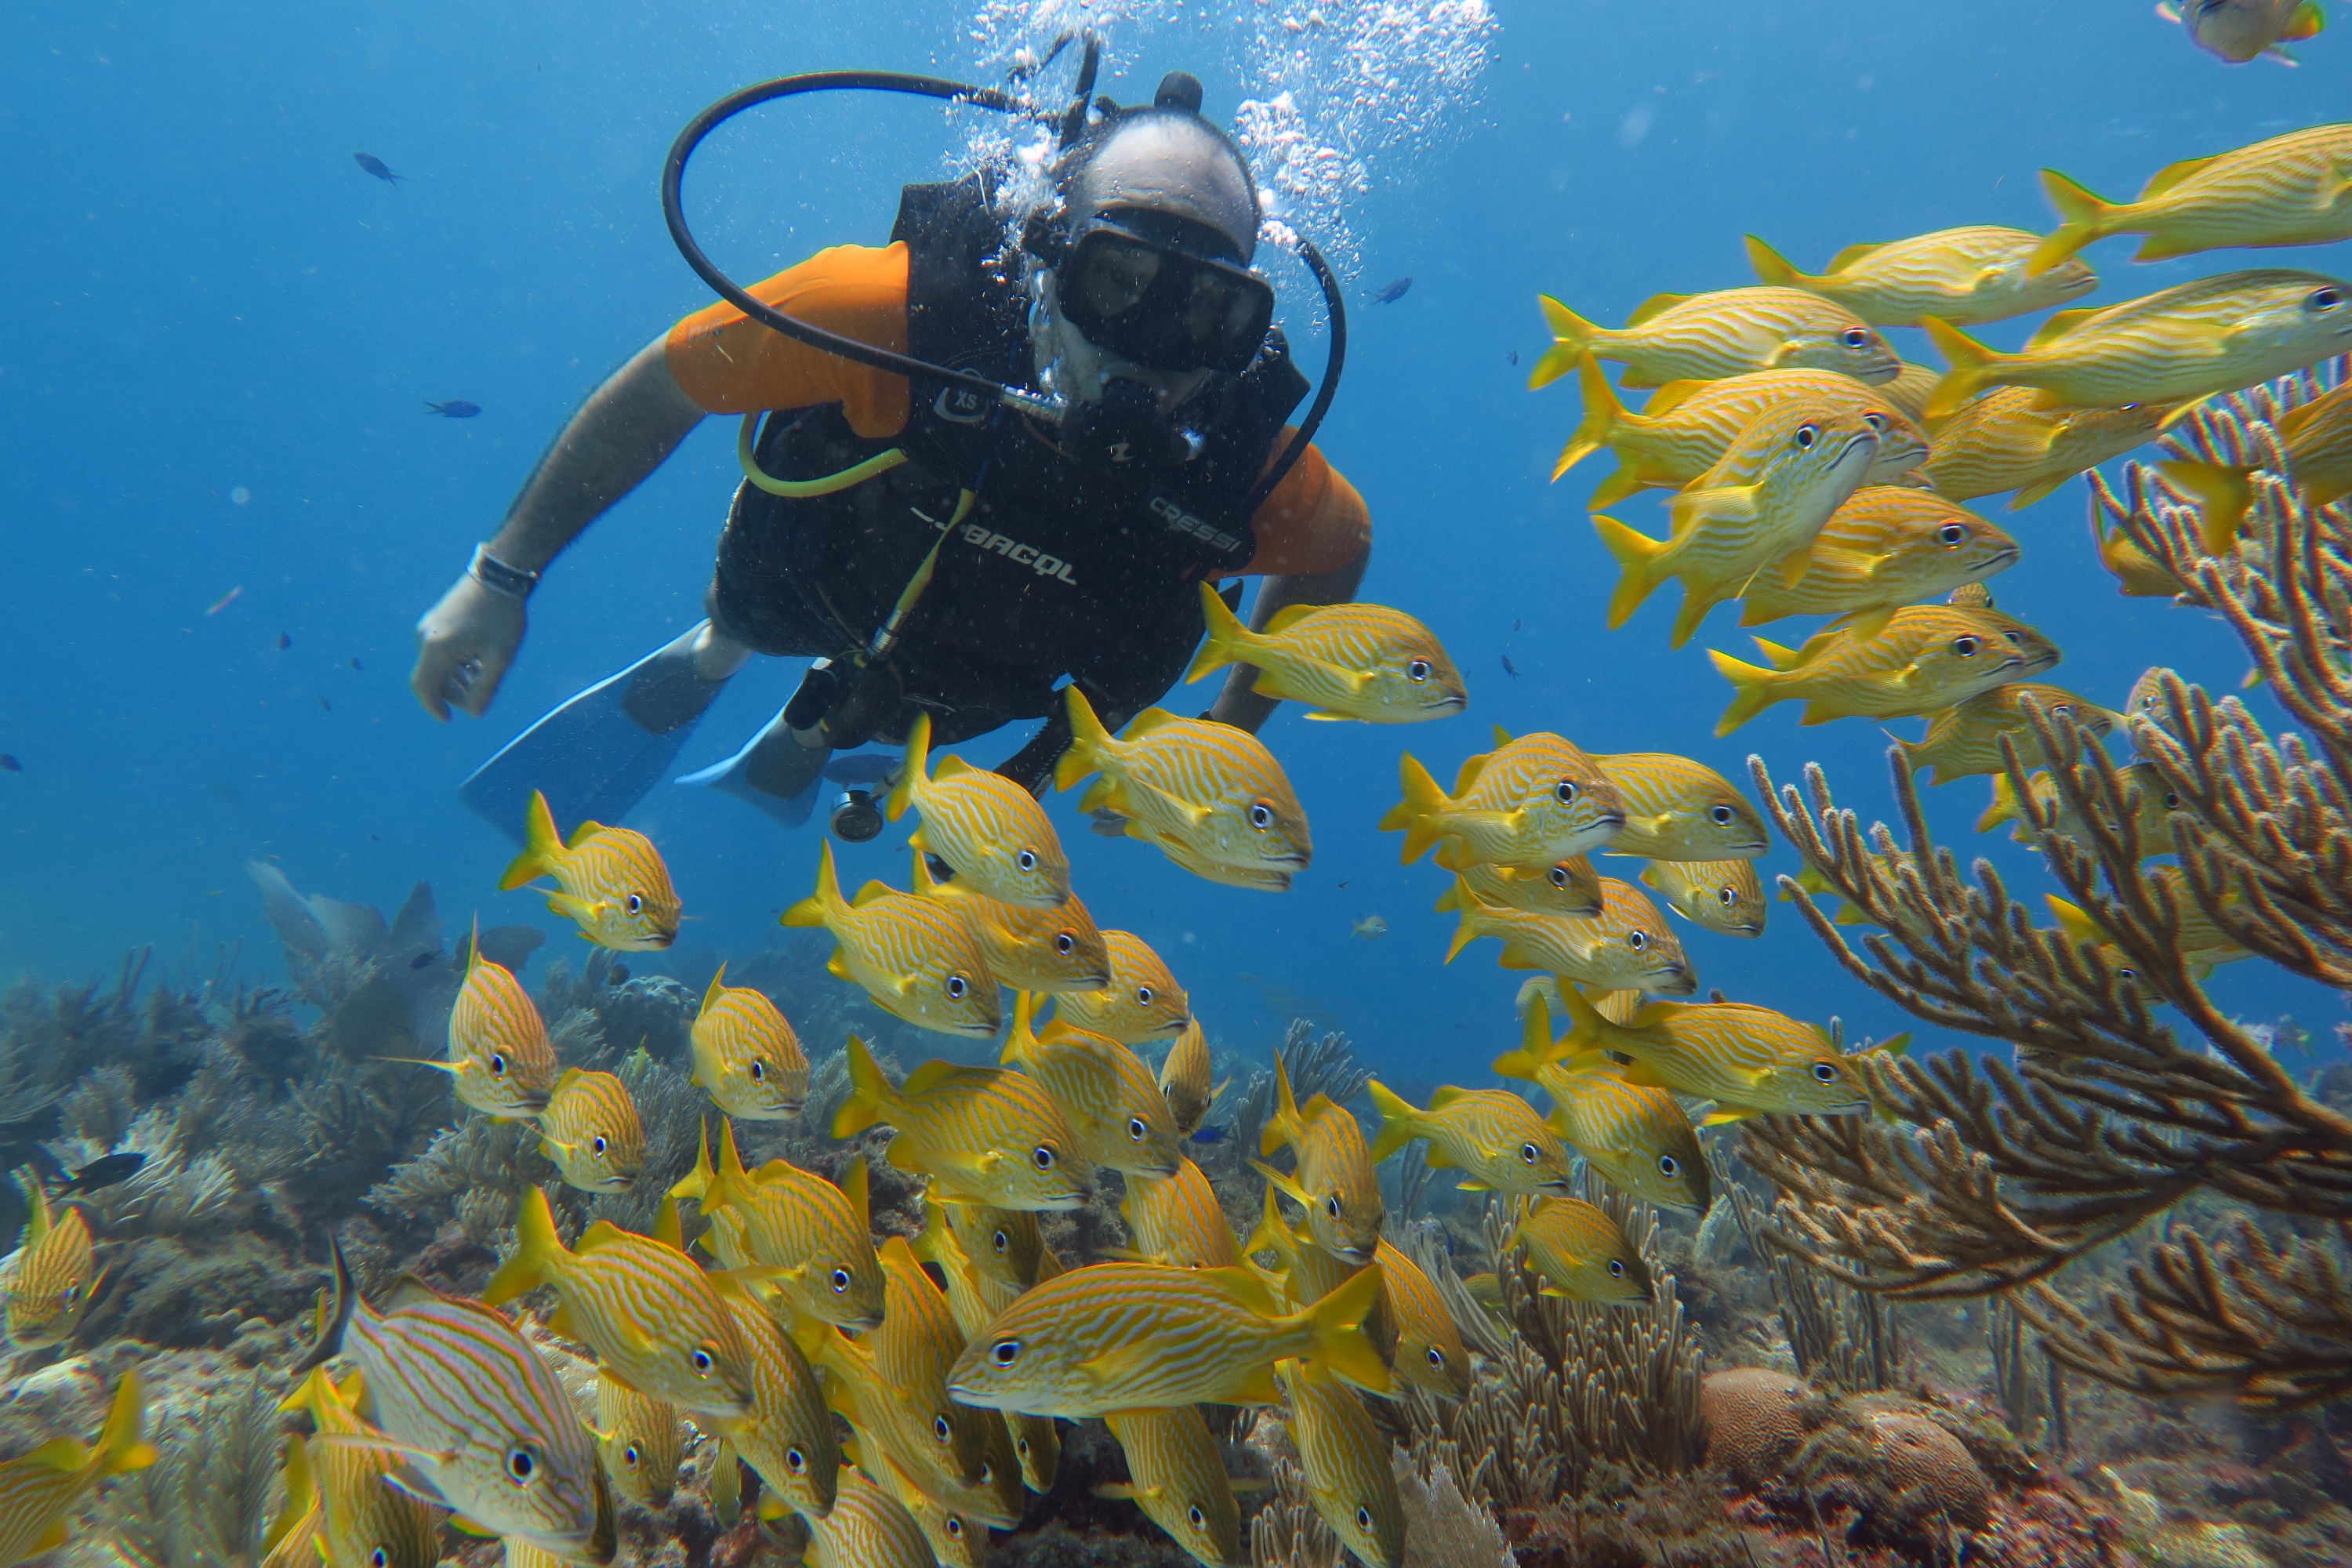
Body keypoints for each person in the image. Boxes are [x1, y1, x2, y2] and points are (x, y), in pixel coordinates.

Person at [412, 72, 1370, 840]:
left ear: (1247, 330)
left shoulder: (1248, 463)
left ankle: (842, 724)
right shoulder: (891, 311)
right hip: (813, 582)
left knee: (1001, 684)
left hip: (995, 674)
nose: (1149, 348)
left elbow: (1340, 550)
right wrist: (501, 575)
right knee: (752, 610)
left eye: (1206, 314)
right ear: (1046, 259)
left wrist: (1230, 735)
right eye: (1116, 282)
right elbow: (666, 385)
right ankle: (722, 654)